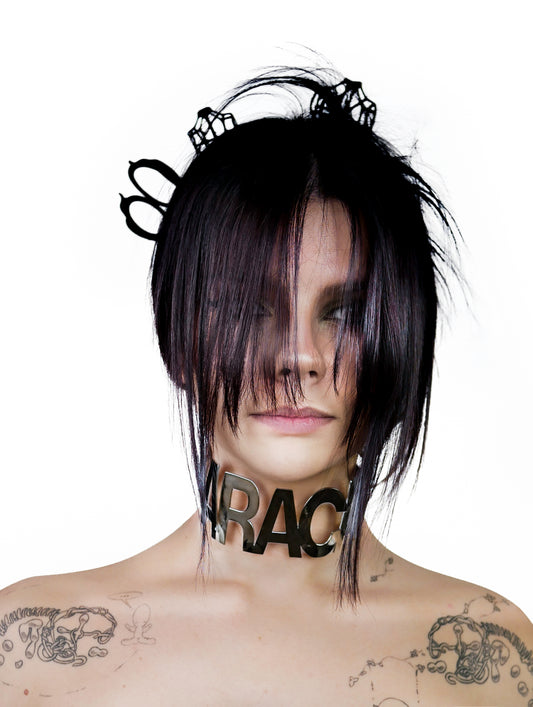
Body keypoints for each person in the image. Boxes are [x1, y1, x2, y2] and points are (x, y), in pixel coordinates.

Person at [0, 67, 531, 706]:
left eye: (344, 313)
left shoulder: (493, 659)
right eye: (248, 308)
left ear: (403, 338)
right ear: (178, 339)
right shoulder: (29, 650)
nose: (299, 356)